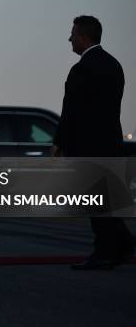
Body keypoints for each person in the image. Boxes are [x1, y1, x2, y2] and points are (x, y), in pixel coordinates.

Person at [52, 15, 135, 270]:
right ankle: (121, 244)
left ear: (84, 37)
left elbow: (71, 111)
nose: (70, 39)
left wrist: (59, 143)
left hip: (87, 145)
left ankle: (105, 253)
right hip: (110, 143)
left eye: (73, 35)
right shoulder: (114, 65)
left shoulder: (81, 69)